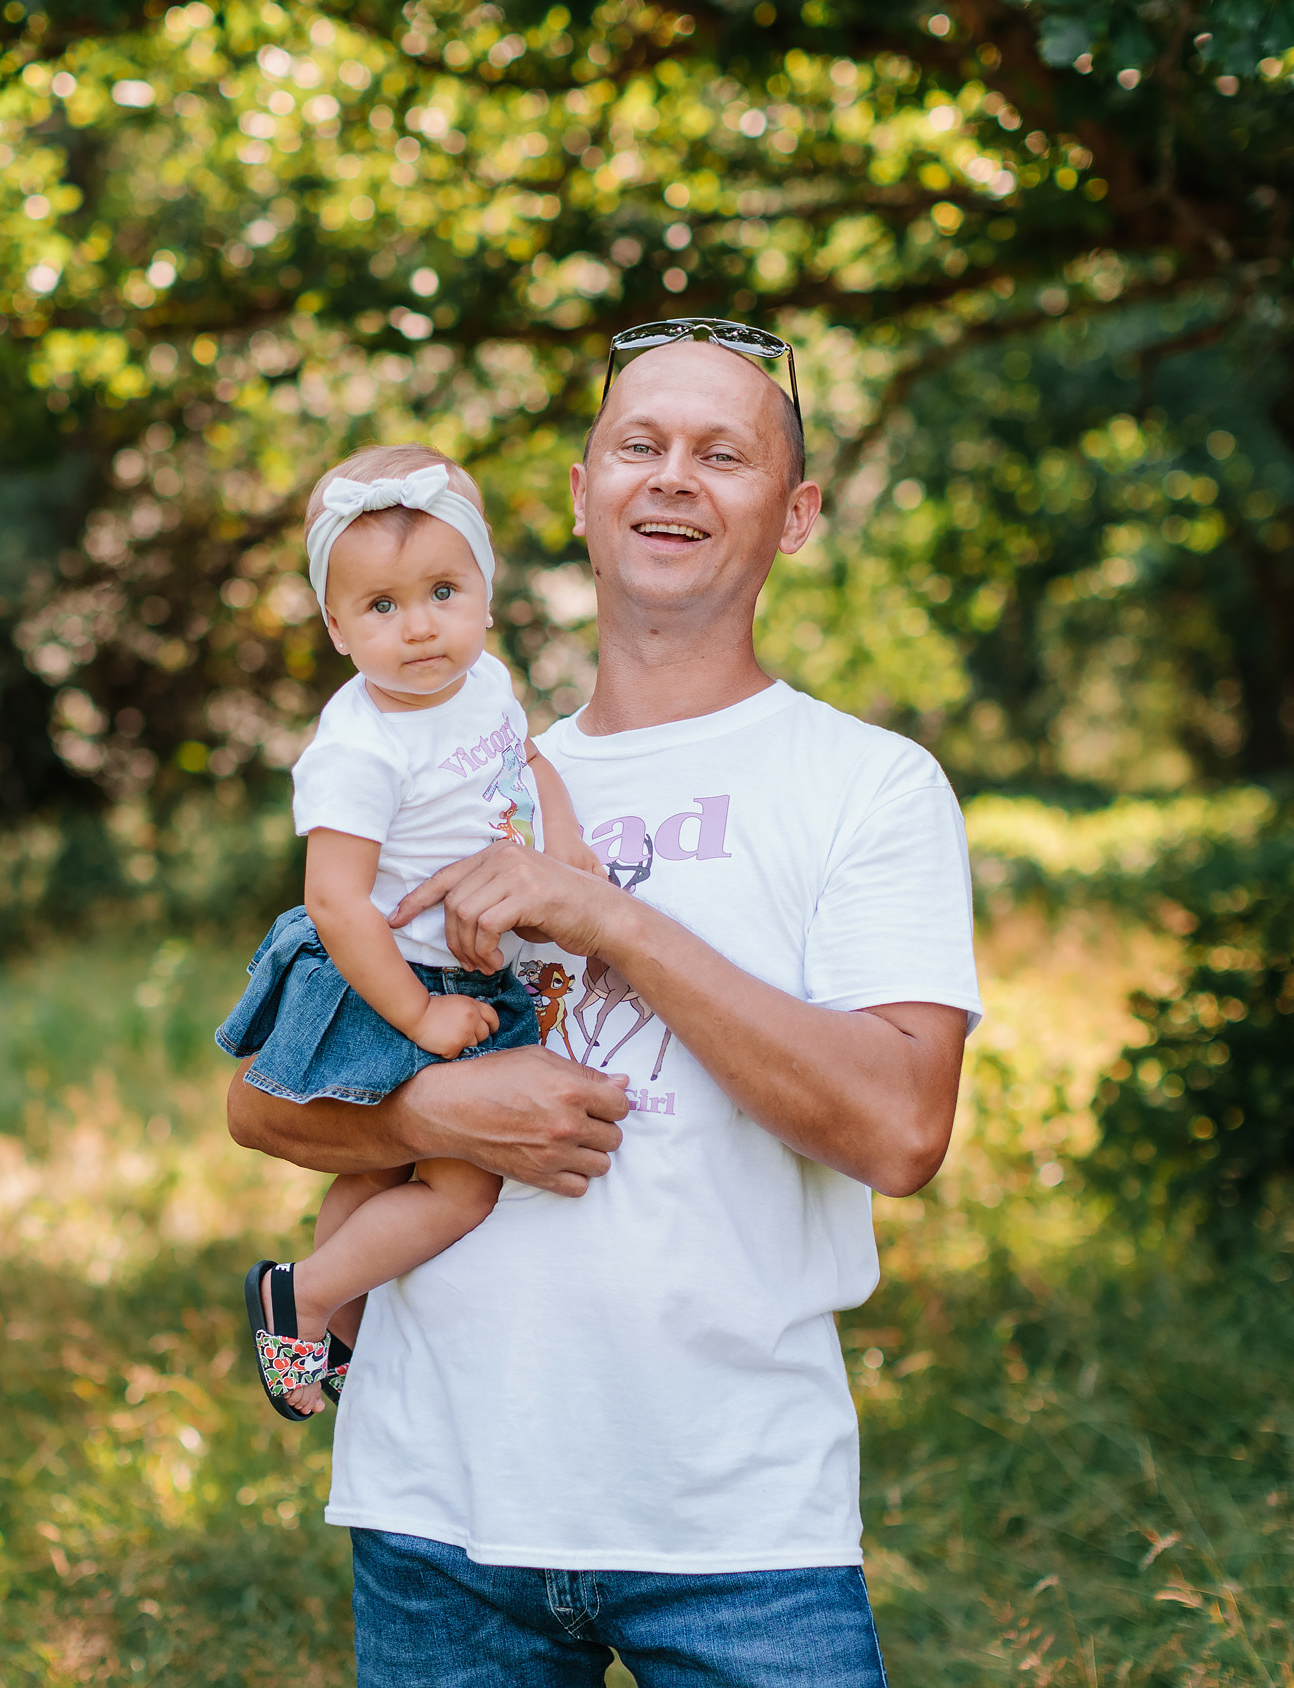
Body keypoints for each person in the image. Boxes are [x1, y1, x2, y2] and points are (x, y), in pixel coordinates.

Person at [226, 321, 982, 1686]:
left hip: (739, 1517)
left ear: (796, 511)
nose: (672, 477)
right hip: (440, 1507)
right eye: (639, 445)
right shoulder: (432, 763)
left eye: (723, 454)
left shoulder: (870, 784)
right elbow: (261, 1099)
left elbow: (901, 1127)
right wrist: (445, 1102)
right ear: (581, 495)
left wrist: (606, 915)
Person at [219, 444, 604, 1422]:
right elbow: (338, 904)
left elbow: (523, 762)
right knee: (459, 1186)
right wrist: (423, 1015)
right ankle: (298, 1294)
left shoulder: (485, 684)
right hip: (385, 973)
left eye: (442, 591)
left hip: (450, 967)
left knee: (377, 1165)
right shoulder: (358, 746)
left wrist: (561, 842)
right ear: (338, 627)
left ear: (482, 590)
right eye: (382, 608)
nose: (420, 627)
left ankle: (329, 1324)